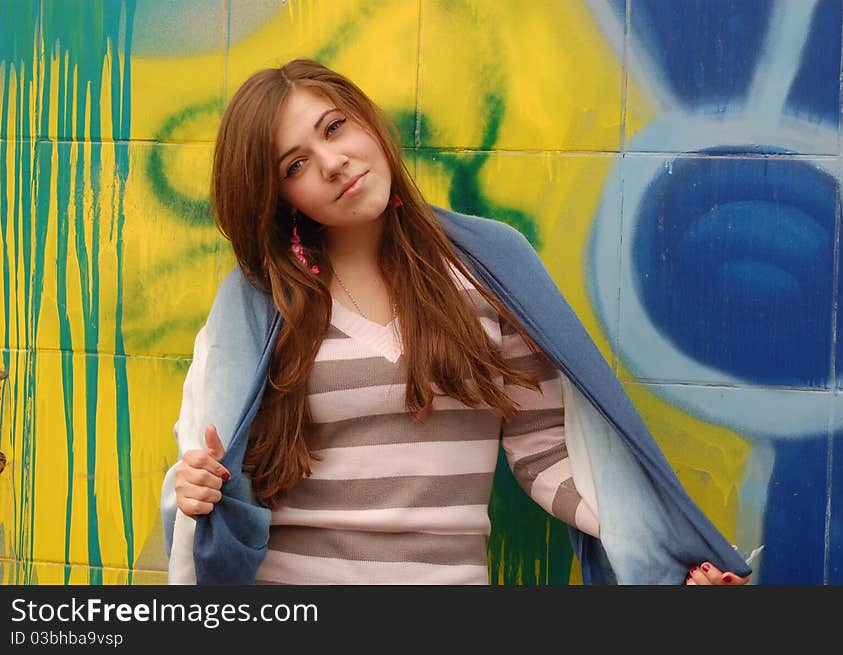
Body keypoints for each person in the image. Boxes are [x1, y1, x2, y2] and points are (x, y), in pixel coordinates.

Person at [160, 58, 751, 586]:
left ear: (366, 122)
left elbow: (545, 449)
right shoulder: (262, 301)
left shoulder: (488, 267)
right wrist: (194, 490)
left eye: (335, 127)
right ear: (282, 196)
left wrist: (665, 560)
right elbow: (216, 460)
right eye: (297, 164)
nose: (334, 163)